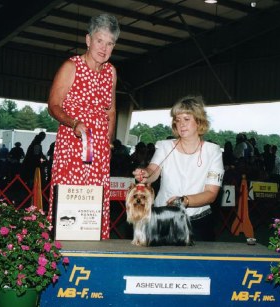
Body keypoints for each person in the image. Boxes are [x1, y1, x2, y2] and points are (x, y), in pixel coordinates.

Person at [47, 13, 120, 240]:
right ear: (88, 40)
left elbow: (111, 111)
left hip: (99, 152)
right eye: (100, 41)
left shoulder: (111, 72)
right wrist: (73, 123)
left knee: (94, 204)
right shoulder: (71, 66)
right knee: (69, 203)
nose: (104, 48)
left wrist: (108, 143)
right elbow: (53, 105)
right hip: (72, 145)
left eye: (110, 43)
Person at [133, 96, 224, 241]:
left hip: (198, 222)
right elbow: (153, 170)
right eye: (177, 119)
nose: (181, 124)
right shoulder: (164, 146)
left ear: (199, 121)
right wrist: (145, 174)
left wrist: (184, 201)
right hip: (163, 218)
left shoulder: (213, 151)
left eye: (186, 119)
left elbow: (211, 193)